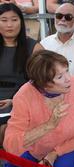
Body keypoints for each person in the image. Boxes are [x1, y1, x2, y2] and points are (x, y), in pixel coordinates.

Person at [3, 49, 74, 167]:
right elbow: (10, 144)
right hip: (35, 149)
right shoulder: (24, 95)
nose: (68, 79)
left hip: (71, 146)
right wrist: (48, 125)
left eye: (67, 71)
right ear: (43, 83)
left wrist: (55, 153)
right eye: (60, 76)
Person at [0, 3, 43, 143]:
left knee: (5, 130)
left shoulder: (34, 47)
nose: (9, 25)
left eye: (14, 19)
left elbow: (44, 83)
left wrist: (16, 101)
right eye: (4, 20)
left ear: (21, 22)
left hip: (22, 101)